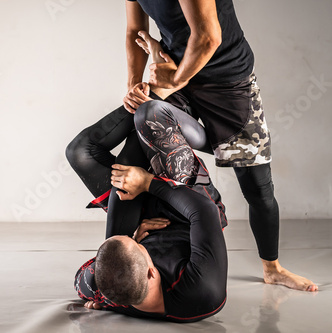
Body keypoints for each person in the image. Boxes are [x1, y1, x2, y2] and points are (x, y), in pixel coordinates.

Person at [121, 0, 317, 292]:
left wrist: (175, 78)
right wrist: (133, 85)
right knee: (140, 150)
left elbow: (209, 36)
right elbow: (135, 30)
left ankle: (272, 269)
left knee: (258, 189)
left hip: (228, 81)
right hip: (177, 72)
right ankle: (128, 264)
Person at [68, 96, 228, 322]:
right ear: (152, 272)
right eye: (138, 247)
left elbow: (84, 279)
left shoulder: (99, 288)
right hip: (188, 209)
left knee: (80, 152)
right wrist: (147, 183)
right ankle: (175, 101)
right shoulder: (202, 291)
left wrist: (133, 235)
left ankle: (165, 98)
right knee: (151, 115)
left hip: (144, 211)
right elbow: (205, 211)